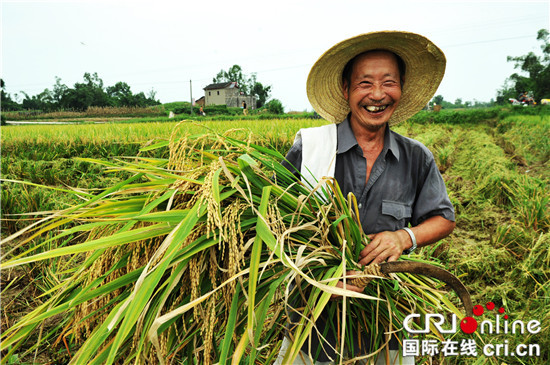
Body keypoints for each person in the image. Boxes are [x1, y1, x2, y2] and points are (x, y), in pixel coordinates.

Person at [276, 31, 456, 364]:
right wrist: (324, 276)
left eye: (389, 83)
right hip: (314, 326)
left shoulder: (417, 158)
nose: (377, 95)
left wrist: (405, 236)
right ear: (346, 90)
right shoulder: (311, 148)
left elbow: (443, 218)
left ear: (400, 89)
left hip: (388, 326)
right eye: (364, 84)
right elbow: (272, 224)